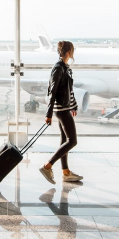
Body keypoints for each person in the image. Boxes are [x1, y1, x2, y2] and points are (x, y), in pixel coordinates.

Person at [39, 40, 83, 184]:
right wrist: (48, 114)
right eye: (73, 50)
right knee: (72, 141)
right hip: (61, 109)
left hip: (65, 107)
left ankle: (66, 172)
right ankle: (47, 166)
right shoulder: (58, 68)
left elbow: (69, 90)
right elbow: (53, 91)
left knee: (65, 140)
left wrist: (73, 105)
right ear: (69, 52)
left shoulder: (65, 67)